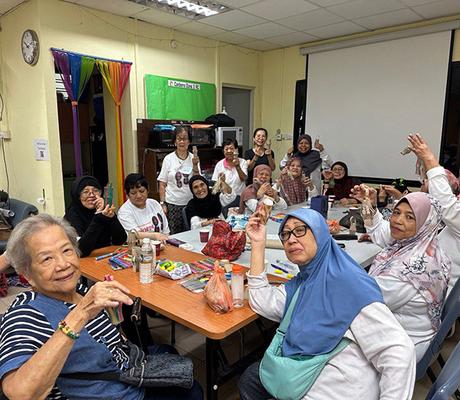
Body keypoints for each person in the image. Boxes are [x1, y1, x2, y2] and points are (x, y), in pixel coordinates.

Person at [0, 214, 203, 400]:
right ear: (27, 275)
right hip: (113, 390)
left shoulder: (78, 289)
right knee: (192, 390)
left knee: (168, 351)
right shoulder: (25, 313)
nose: (63, 264)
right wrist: (80, 314)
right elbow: (20, 393)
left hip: (124, 366)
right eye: (47, 258)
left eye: (66, 250)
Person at [238, 208, 415, 400]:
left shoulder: (347, 283)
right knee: (250, 379)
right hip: (307, 373)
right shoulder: (305, 281)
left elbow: (399, 352)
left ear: (320, 234)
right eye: (286, 233)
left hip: (336, 388)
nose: (291, 239)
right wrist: (257, 243)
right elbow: (263, 301)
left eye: (300, 230)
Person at [358, 189, 450, 361]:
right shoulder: (422, 245)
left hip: (404, 346)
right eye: (396, 212)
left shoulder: (412, 269)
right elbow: (381, 233)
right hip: (406, 330)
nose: (398, 221)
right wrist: (370, 206)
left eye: (410, 217)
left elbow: (364, 301)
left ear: (425, 223)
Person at [64, 175, 126, 257]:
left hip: (105, 256)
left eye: (95, 191)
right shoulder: (72, 215)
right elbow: (81, 250)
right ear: (78, 196)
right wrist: (98, 217)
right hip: (84, 260)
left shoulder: (103, 210)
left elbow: (120, 240)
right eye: (86, 192)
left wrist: (112, 218)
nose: (92, 195)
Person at [158, 126, 201, 234]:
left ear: (189, 141)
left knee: (191, 234)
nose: (182, 141)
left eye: (185, 138)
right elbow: (162, 184)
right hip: (173, 204)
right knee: (174, 236)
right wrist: (162, 203)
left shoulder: (194, 158)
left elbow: (198, 181)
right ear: (175, 141)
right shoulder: (168, 159)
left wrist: (195, 165)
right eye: (179, 139)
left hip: (191, 203)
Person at [118, 173, 170, 240]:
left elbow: (166, 231)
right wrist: (155, 236)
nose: (139, 196)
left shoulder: (154, 204)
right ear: (127, 194)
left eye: (142, 191)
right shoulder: (124, 212)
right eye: (133, 193)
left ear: (147, 190)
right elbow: (135, 234)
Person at [211, 138, 248, 213]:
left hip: (240, 200)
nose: (229, 151)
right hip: (225, 201)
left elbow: (244, 178)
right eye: (226, 149)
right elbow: (215, 186)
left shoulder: (243, 162)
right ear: (223, 151)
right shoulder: (219, 165)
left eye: (231, 148)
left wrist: (237, 166)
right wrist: (221, 182)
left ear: (236, 150)